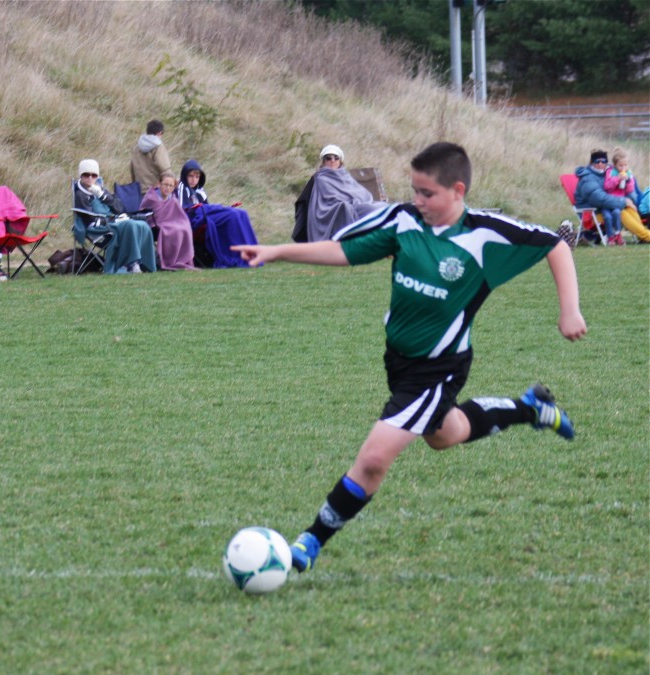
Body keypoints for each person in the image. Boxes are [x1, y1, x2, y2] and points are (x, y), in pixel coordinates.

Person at [233, 141, 587, 574]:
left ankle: (310, 541)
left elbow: (555, 245)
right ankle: (529, 408)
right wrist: (277, 251)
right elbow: (344, 250)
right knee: (445, 434)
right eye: (414, 190)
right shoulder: (403, 220)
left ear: (457, 190)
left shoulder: (486, 236)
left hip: (439, 369)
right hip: (399, 361)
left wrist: (569, 309)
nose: (417, 200)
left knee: (373, 460)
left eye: (427, 193)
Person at [74, 159, 156, 274]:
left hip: (111, 222)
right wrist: (115, 220)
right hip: (97, 229)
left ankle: (146, 263)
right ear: (81, 175)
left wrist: (102, 195)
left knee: (142, 225)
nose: (90, 178)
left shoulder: (99, 189)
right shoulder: (80, 195)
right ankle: (131, 263)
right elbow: (89, 220)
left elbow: (118, 208)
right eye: (86, 175)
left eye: (94, 175)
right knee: (129, 225)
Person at [292, 144, 385, 242]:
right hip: (332, 210)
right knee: (348, 208)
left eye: (336, 158)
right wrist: (350, 202)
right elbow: (330, 197)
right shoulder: (321, 178)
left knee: (381, 207)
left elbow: (362, 194)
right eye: (328, 158)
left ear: (340, 161)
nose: (333, 161)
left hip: (356, 204)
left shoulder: (346, 176)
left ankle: (383, 240)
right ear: (323, 162)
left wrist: (357, 201)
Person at [178, 159, 257, 268]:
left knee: (241, 213)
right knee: (232, 216)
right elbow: (185, 210)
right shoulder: (182, 187)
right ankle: (235, 256)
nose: (194, 180)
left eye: (197, 177)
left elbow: (207, 206)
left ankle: (251, 254)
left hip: (204, 216)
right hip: (193, 221)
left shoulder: (200, 191)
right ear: (184, 176)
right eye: (190, 176)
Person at [574, 149, 650, 245]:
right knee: (622, 213)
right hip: (591, 214)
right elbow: (599, 199)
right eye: (597, 161)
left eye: (603, 161)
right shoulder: (587, 179)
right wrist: (624, 201)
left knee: (631, 210)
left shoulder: (607, 173)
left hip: (608, 208)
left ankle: (642, 236)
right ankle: (647, 236)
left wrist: (628, 184)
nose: (601, 164)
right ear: (591, 163)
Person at [139, 172, 194, 270]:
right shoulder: (151, 198)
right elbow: (144, 214)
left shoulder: (173, 199)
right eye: (165, 184)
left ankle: (181, 260)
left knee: (185, 229)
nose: (167, 188)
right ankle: (169, 261)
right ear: (159, 184)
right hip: (154, 225)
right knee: (173, 231)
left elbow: (179, 215)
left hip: (171, 223)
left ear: (174, 187)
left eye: (170, 186)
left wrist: (182, 224)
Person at [602, 148, 636, 246]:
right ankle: (610, 237)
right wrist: (617, 179)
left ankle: (618, 235)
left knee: (617, 213)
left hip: (618, 202)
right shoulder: (610, 172)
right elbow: (607, 186)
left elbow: (630, 190)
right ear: (615, 164)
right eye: (620, 165)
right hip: (607, 201)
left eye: (625, 165)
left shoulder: (628, 173)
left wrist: (628, 181)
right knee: (607, 217)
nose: (623, 168)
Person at [129, 119, 172, 195]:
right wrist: (170, 185)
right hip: (155, 192)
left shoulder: (137, 147)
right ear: (160, 133)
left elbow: (132, 169)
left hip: (139, 191)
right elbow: (165, 169)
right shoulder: (158, 147)